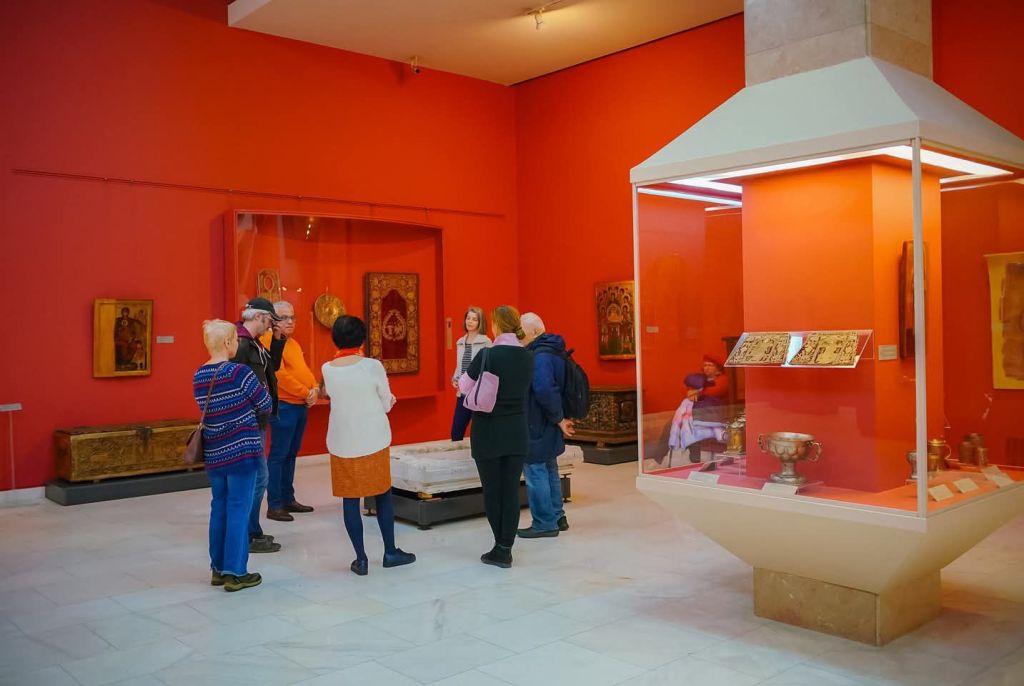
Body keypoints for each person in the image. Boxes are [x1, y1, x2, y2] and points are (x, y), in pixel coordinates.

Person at [321, 315, 416, 576]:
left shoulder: (327, 368)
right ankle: (390, 552)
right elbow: (385, 403)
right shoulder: (372, 366)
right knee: (383, 494)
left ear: (335, 338)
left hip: (342, 441)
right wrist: (389, 400)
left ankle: (360, 559)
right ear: (362, 338)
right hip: (373, 439)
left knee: (350, 499)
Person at [193, 319, 271, 592]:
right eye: (235, 340)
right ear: (227, 343)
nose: (238, 343)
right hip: (242, 450)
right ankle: (235, 572)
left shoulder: (199, 375)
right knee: (239, 507)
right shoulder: (239, 372)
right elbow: (265, 403)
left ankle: (217, 568)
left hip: (215, 451)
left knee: (220, 507)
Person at [459, 305, 532, 568]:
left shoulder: (488, 354)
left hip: (488, 431)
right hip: (517, 430)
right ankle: (505, 547)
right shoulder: (527, 356)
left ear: (496, 326)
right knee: (511, 490)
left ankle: (499, 547)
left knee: (492, 491)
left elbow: (464, 386)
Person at [231, 297, 286, 554]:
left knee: (258, 478)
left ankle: (252, 530)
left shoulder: (254, 343)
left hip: (258, 419)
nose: (269, 326)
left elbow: (271, 367)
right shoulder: (241, 344)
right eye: (269, 321)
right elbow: (233, 382)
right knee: (258, 478)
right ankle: (247, 533)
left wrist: (278, 339)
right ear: (259, 317)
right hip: (248, 421)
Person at [259, 300, 318, 522]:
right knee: (279, 455)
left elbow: (304, 370)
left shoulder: (292, 342)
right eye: (284, 318)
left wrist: (314, 389)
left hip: (300, 404)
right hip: (284, 405)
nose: (290, 321)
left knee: (291, 453)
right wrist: (306, 392)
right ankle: (275, 505)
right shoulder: (269, 340)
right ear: (273, 320)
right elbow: (279, 376)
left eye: (292, 317)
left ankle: (288, 498)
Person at [517, 312, 574, 538]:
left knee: (535, 469)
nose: (519, 335)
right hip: (549, 419)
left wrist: (558, 418)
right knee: (550, 467)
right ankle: (557, 516)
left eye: (521, 331)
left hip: (536, 420)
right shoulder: (554, 350)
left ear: (534, 332)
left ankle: (544, 522)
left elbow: (543, 389)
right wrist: (557, 417)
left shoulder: (538, 355)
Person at [450, 306, 492, 441]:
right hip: (462, 393)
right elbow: (460, 365)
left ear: (480, 322)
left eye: (474, 319)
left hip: (478, 394)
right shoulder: (460, 342)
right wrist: (455, 379)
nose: (470, 321)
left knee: (479, 434)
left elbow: (488, 369)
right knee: (456, 433)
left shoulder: (486, 342)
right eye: (468, 318)